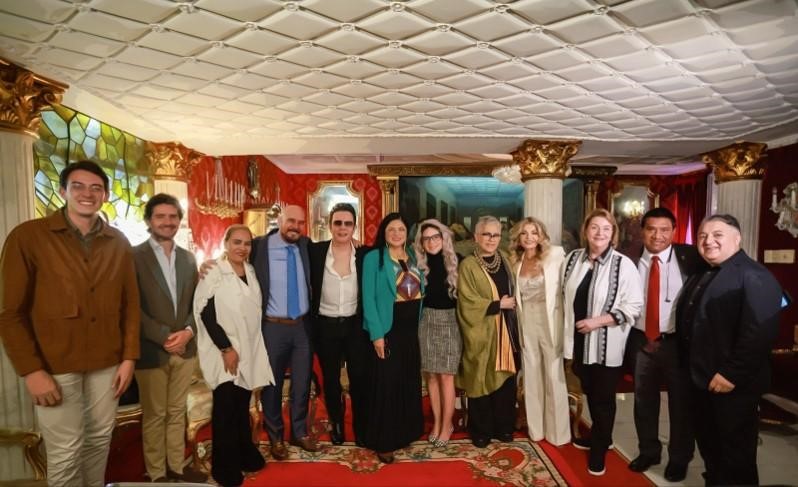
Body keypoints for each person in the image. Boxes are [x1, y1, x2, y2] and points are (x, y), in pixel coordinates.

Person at [0, 160, 140, 487]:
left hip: (108, 362)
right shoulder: (28, 236)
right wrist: (31, 371)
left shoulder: (118, 241)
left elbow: (130, 305)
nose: (87, 193)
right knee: (65, 451)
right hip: (54, 364)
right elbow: (9, 313)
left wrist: (129, 358)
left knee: (99, 442)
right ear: (63, 191)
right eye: (78, 186)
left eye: (95, 188)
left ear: (105, 195)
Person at [675, 214, 782, 486]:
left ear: (737, 238)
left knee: (736, 456)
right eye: (702, 236)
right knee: (711, 450)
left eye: (717, 235)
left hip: (732, 385)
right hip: (701, 381)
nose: (708, 241)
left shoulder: (754, 275)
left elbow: (759, 333)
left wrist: (731, 374)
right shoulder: (702, 272)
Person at [627, 208, 706, 481]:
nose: (657, 235)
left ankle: (680, 458)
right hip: (640, 340)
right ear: (642, 231)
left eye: (664, 230)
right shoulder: (628, 259)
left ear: (673, 231)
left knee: (681, 404)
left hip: (676, 343)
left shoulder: (691, 257)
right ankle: (649, 451)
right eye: (651, 229)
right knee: (643, 401)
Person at [562, 208, 642, 476]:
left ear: (613, 234)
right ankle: (602, 437)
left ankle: (599, 452)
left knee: (603, 399)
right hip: (578, 343)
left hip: (606, 345)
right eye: (595, 227)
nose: (600, 233)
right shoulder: (572, 259)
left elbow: (634, 306)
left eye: (606, 229)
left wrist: (598, 321)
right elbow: (562, 297)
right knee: (590, 392)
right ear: (586, 231)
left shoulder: (623, 264)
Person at [133, 193, 206, 483]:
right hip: (152, 349)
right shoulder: (133, 256)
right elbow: (130, 306)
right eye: (161, 216)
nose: (168, 222)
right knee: (155, 414)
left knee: (177, 412)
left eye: (173, 216)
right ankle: (156, 473)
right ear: (149, 220)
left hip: (185, 348)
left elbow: (197, 303)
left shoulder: (188, 258)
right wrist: (165, 337)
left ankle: (176, 467)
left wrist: (188, 332)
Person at [194, 224, 274, 487]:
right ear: (226, 243)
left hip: (247, 350)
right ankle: (224, 467)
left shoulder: (250, 271)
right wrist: (226, 349)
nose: (242, 248)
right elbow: (205, 313)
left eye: (247, 243)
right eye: (237, 242)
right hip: (224, 351)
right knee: (225, 410)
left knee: (241, 405)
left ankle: (244, 453)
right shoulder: (214, 272)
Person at [251, 204, 319, 459]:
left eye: (300, 223)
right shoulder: (258, 247)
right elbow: (234, 262)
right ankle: (276, 436)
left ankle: (299, 432)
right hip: (272, 326)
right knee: (273, 385)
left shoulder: (306, 246)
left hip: (301, 327)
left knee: (301, 383)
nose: (295, 227)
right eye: (291, 221)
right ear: (280, 220)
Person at [361, 212, 425, 464]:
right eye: (391, 229)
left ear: (407, 233)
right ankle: (385, 440)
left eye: (401, 229)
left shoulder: (413, 256)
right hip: (389, 328)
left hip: (411, 330)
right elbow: (368, 298)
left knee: (408, 381)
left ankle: (405, 432)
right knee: (387, 384)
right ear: (384, 233)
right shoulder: (374, 258)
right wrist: (377, 334)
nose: (397, 234)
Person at [308, 203, 371, 445]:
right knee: (331, 380)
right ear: (330, 225)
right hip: (325, 326)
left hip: (355, 326)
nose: (342, 228)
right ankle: (336, 423)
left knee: (359, 378)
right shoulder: (315, 251)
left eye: (348, 223)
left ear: (354, 227)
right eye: (338, 223)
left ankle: (361, 426)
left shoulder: (364, 255)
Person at [457, 216, 519, 448]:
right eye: (486, 234)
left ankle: (504, 426)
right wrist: (497, 305)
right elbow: (466, 301)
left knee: (505, 380)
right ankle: (481, 430)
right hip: (480, 332)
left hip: (507, 331)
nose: (491, 239)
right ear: (476, 237)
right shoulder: (468, 265)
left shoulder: (505, 260)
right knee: (480, 379)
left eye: (496, 235)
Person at [509, 217, 570, 446]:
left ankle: (558, 433)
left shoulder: (556, 255)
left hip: (550, 320)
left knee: (554, 375)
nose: (529, 237)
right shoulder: (515, 261)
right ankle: (536, 430)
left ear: (541, 235)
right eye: (524, 233)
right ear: (518, 238)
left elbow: (568, 288)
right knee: (531, 375)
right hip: (526, 321)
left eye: (534, 233)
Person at [413, 219, 462, 448]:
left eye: (435, 237)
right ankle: (437, 422)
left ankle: (447, 425)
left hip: (451, 322)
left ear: (443, 238)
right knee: (431, 375)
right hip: (426, 321)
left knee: (446, 376)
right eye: (426, 239)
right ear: (421, 243)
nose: (431, 242)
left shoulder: (457, 261)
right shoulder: (418, 265)